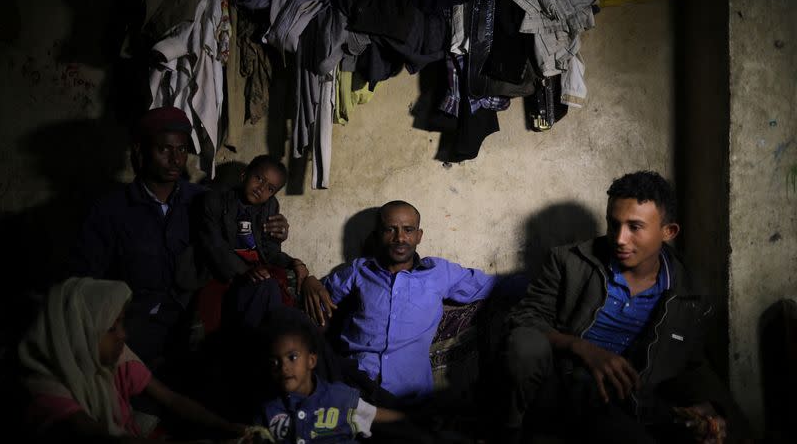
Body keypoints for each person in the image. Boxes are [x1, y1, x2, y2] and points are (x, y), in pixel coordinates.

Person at [501, 171, 750, 443]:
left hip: (627, 400)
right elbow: (524, 318)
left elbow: (690, 361)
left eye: (635, 227)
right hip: (561, 383)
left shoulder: (689, 293)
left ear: (668, 232)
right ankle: (512, 432)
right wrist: (583, 348)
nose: (620, 239)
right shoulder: (570, 262)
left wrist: (714, 408)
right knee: (526, 345)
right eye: (613, 224)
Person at [301, 200, 497, 402]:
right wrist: (308, 279)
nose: (400, 238)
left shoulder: (439, 273)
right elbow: (318, 297)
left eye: (408, 230)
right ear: (378, 235)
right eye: (390, 230)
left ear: (419, 236)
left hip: (408, 394)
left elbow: (498, 285)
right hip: (356, 387)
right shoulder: (359, 270)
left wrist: (530, 282)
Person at [17, 277, 246, 442]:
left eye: (122, 324)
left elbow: (172, 399)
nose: (123, 335)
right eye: (111, 328)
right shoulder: (45, 391)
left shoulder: (113, 359)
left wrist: (226, 427)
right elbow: (94, 434)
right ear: (80, 333)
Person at [69, 106, 208, 368]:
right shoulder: (111, 209)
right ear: (139, 151)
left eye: (181, 149)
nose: (176, 159)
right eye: (164, 149)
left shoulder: (201, 200)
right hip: (136, 326)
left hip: (188, 322)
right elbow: (86, 278)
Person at [244, 318, 404, 443]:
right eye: (275, 362)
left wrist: (414, 418)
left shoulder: (340, 398)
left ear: (311, 361)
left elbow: (380, 418)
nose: (284, 367)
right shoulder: (267, 409)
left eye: (292, 357)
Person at [197, 154, 310, 329]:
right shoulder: (215, 200)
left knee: (282, 288)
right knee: (267, 289)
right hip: (227, 272)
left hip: (258, 271)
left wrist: (295, 262)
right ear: (244, 176)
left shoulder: (270, 207)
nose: (261, 188)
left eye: (270, 188)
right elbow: (214, 247)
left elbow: (270, 252)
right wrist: (244, 270)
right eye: (258, 178)